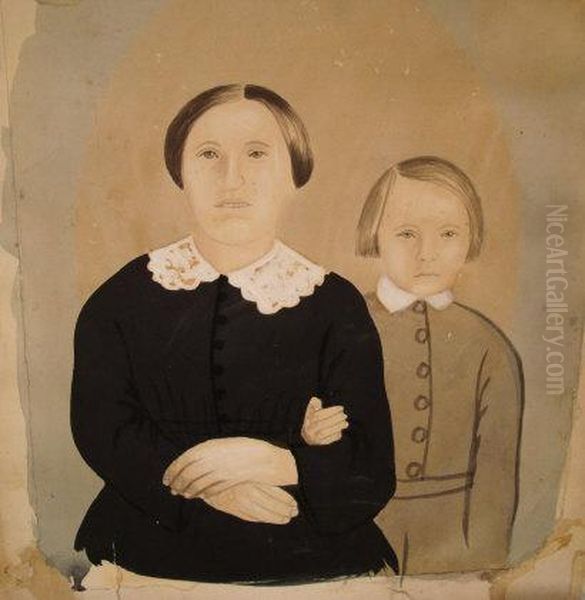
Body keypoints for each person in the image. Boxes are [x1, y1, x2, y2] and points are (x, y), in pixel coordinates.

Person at [70, 83, 398, 584]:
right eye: (208, 154)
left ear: (294, 174)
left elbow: (370, 468)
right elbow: (102, 428)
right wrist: (209, 486)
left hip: (314, 561)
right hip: (144, 555)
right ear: (180, 172)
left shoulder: (335, 305)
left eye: (257, 154)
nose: (232, 178)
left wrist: (276, 463)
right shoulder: (122, 297)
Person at [354, 156, 524, 574]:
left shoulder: (488, 346)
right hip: (355, 535)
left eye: (448, 234)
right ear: (375, 234)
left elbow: (496, 474)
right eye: (406, 233)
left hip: (455, 547)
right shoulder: (343, 326)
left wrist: (480, 567)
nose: (427, 253)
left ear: (471, 238)